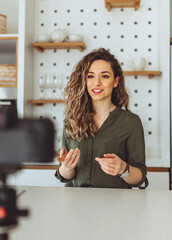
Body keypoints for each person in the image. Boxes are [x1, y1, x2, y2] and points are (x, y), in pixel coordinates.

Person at [55, 48, 148, 189]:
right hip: (77, 202)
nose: (96, 82)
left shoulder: (131, 122)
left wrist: (124, 169)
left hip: (116, 203)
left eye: (104, 76)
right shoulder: (71, 120)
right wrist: (67, 167)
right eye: (90, 76)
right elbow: (65, 175)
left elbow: (139, 178)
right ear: (84, 81)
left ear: (115, 81)